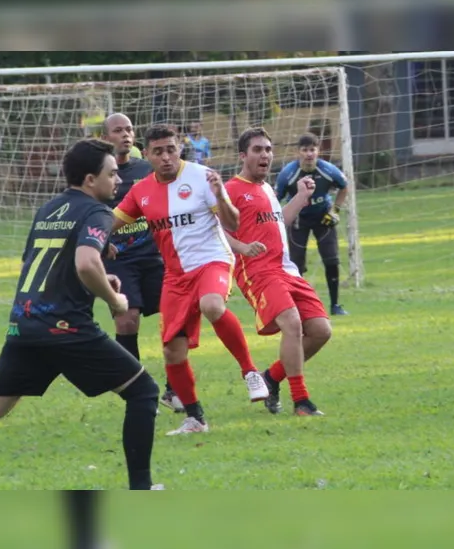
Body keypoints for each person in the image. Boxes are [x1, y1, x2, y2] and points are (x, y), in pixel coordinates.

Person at [0, 139, 161, 489]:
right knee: (144, 392)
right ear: (90, 179)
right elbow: (85, 263)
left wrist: (100, 272)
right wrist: (115, 302)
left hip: (25, 324)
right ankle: (142, 491)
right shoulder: (97, 211)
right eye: (112, 174)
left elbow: (45, 262)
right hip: (65, 328)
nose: (118, 180)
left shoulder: (49, 208)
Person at [110, 124, 269, 436]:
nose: (166, 157)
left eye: (171, 149)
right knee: (172, 351)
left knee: (211, 305)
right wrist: (95, 239)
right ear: (149, 154)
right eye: (158, 151)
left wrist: (221, 194)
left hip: (212, 261)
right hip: (175, 276)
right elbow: (112, 222)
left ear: (179, 148)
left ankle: (250, 372)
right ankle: (195, 418)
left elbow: (233, 223)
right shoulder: (141, 191)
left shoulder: (201, 176)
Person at [224, 127, 332, 417]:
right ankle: (302, 402)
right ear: (243, 156)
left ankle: (270, 378)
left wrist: (300, 196)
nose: (265, 155)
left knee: (321, 330)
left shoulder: (267, 188)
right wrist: (243, 248)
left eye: (268, 149)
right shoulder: (232, 189)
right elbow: (216, 232)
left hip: (285, 269)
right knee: (292, 324)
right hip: (257, 270)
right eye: (258, 150)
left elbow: (278, 221)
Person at [101, 113, 184, 412]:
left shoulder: (146, 170)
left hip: (153, 256)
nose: (125, 135)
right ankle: (136, 389)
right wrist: (99, 239)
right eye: (117, 130)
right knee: (127, 318)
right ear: (105, 137)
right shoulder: (99, 173)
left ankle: (175, 389)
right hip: (118, 259)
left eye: (129, 129)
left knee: (176, 315)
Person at [276, 132, 349, 316]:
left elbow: (344, 186)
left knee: (331, 260)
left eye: (312, 150)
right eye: (305, 150)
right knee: (295, 265)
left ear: (318, 151)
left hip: (323, 217)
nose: (309, 154)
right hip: (298, 219)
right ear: (297, 152)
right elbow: (276, 199)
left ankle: (335, 305)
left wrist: (335, 210)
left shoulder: (328, 170)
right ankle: (298, 308)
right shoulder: (287, 174)